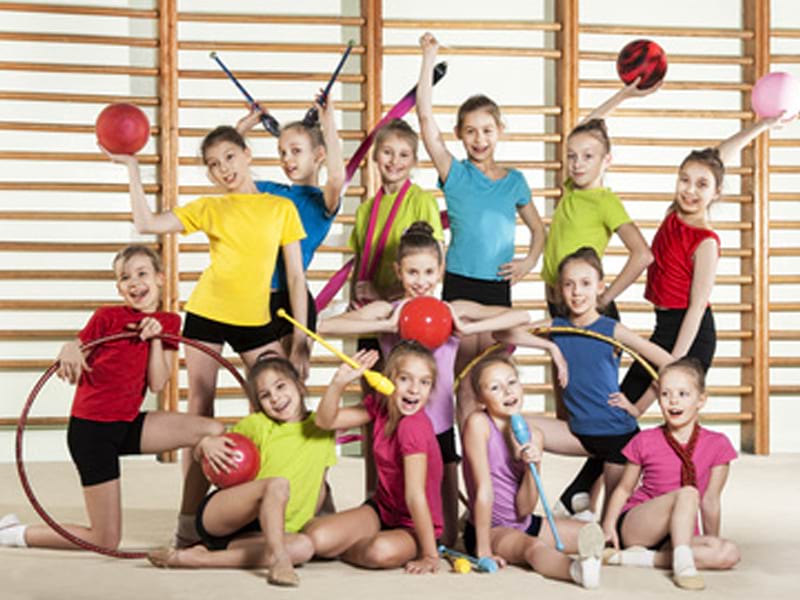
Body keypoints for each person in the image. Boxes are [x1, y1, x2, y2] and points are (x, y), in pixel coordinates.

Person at [102, 125, 310, 547]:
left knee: (280, 409)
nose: (223, 169)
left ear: (248, 154)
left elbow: (295, 275)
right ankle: (188, 520)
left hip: (256, 321)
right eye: (213, 165)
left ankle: (282, 504)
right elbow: (145, 223)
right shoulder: (211, 207)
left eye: (229, 158)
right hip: (207, 314)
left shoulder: (280, 207)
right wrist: (132, 167)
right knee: (200, 413)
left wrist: (301, 339)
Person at [319, 221, 550, 546]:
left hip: (440, 425)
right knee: (396, 489)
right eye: (412, 273)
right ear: (398, 271)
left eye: (428, 272)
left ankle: (444, 537)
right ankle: (389, 529)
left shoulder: (453, 310)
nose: (421, 282)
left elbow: (521, 316)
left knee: (447, 521)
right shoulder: (389, 310)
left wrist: (466, 329)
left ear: (441, 270)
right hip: (399, 423)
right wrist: (385, 323)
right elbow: (326, 326)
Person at [0, 245, 224, 551]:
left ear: (159, 278)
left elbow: (158, 384)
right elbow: (75, 357)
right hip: (92, 432)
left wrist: (156, 339)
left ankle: (187, 527)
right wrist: (70, 348)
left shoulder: (169, 322)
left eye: (142, 273)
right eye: (125, 278)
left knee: (212, 431)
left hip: (129, 423)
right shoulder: (107, 317)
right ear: (119, 288)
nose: (134, 282)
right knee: (105, 539)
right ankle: (12, 533)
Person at [417, 32, 547, 457]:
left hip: (495, 289)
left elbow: (538, 229)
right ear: (460, 134)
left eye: (487, 130)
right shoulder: (455, 174)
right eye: (470, 131)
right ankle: (457, 459)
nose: (479, 138)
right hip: (458, 284)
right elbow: (424, 120)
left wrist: (528, 261)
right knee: (460, 379)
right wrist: (428, 59)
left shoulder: (514, 181)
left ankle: (489, 464)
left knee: (489, 379)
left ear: (500, 131)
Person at [619, 116, 792, 413]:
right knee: (618, 408)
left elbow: (697, 308)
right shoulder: (676, 213)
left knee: (650, 412)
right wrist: (761, 126)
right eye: (684, 180)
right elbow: (717, 158)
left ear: (717, 193)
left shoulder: (706, 242)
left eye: (702, 185)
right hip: (665, 327)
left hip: (690, 334)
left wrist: (673, 363)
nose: (690, 190)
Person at [496, 247, 673, 518]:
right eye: (569, 285)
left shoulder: (611, 330)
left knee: (613, 524)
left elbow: (670, 365)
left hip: (617, 437)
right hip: (578, 434)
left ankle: (589, 510)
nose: (577, 292)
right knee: (517, 426)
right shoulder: (557, 327)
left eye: (585, 284)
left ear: (600, 287)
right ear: (559, 290)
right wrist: (551, 348)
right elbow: (503, 333)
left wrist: (637, 407)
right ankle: (519, 506)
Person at [147, 355, 336, 587]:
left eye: (280, 386)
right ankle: (279, 560)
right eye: (265, 395)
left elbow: (319, 484)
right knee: (277, 484)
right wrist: (204, 445)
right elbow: (206, 457)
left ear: (298, 384)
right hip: (225, 515)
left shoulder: (322, 429)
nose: (276, 398)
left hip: (258, 533)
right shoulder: (257, 425)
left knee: (304, 547)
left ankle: (198, 558)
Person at [462, 351, 606, 589]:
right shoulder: (478, 424)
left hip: (523, 520)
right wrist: (484, 551)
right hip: (492, 528)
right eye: (495, 388)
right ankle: (577, 571)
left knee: (594, 535)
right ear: (480, 398)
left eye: (511, 382)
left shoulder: (534, 435)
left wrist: (532, 468)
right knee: (532, 548)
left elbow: (524, 508)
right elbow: (483, 491)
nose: (508, 392)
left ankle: (631, 557)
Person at [601, 358, 740, 590]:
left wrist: (711, 540)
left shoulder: (719, 445)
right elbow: (624, 488)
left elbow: (711, 501)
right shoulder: (644, 440)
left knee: (728, 553)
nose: (673, 400)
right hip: (640, 524)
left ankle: (635, 558)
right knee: (688, 493)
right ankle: (683, 565)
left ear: (701, 400)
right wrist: (608, 526)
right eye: (666, 394)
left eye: (683, 394)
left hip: (680, 530)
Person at [304, 343, 443, 574]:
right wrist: (339, 382)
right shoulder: (380, 407)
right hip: (382, 511)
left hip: (415, 525)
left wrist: (430, 555)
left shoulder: (413, 426)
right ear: (389, 380)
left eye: (424, 382)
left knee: (379, 551)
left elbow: (415, 494)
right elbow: (325, 421)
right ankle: (350, 542)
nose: (414, 390)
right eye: (405, 379)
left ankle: (353, 545)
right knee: (315, 537)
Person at [235, 96, 345, 357]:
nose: (287, 159)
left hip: (294, 300)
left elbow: (337, 176)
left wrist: (328, 124)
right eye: (282, 153)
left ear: (319, 155)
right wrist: (242, 128)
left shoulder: (323, 204)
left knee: (292, 382)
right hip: (258, 299)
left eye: (296, 151)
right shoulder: (270, 192)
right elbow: (231, 173)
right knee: (265, 386)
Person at [349, 118, 444, 307]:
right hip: (368, 312)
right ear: (375, 155)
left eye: (404, 155)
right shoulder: (365, 210)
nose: (394, 161)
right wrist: (354, 297)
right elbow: (360, 263)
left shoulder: (422, 201)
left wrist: (382, 294)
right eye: (387, 152)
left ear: (414, 160)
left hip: (406, 311)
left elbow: (437, 266)